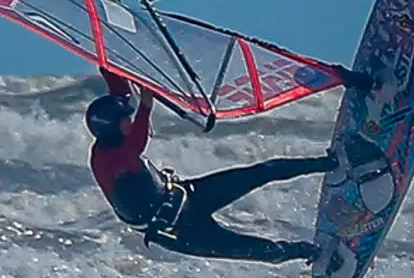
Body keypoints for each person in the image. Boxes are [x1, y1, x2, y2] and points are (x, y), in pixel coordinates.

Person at [85, 67, 335, 264]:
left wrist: (111, 65)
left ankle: (330, 162)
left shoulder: (111, 133)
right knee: (262, 251)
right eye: (125, 119)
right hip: (181, 232)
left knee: (261, 172)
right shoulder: (108, 160)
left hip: (188, 195)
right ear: (112, 127)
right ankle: (313, 253)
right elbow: (136, 146)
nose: (129, 120)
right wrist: (147, 105)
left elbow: (119, 90)